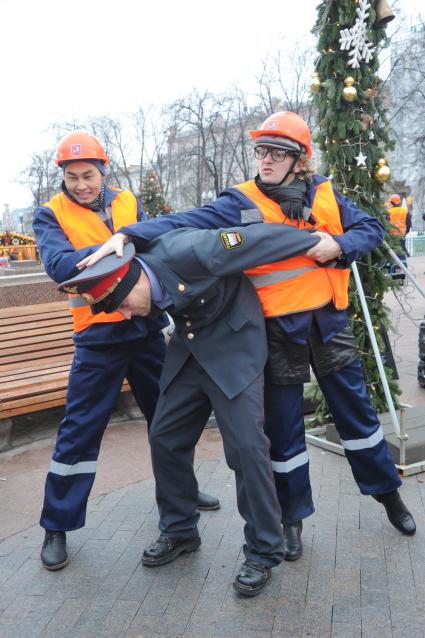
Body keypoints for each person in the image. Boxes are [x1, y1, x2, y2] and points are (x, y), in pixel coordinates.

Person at [83, 111, 416, 564]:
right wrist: (128, 234)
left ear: (299, 159)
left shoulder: (325, 193)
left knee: (358, 418)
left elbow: (371, 228)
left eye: (277, 152)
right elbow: (187, 221)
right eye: (261, 150)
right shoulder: (238, 200)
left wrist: (340, 246)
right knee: (283, 433)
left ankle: (388, 496)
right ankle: (292, 519)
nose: (266, 159)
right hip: (278, 332)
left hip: (328, 324)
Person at [64, 221, 321, 596]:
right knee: (165, 436)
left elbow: (260, 238)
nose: (127, 316)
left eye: (122, 306)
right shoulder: (142, 267)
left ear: (132, 283)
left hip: (235, 346)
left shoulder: (196, 249)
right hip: (191, 347)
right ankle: (180, 530)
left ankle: (264, 550)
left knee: (247, 449)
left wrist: (320, 242)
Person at [32, 130, 218, 572]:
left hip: (146, 329)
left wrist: (117, 247)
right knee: (80, 431)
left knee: (169, 421)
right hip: (98, 338)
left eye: (89, 175)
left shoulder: (127, 201)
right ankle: (57, 525)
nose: (81, 185)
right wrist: (125, 245)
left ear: (103, 171)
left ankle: (182, 496)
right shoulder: (49, 214)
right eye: (73, 177)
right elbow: (60, 266)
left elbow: (157, 242)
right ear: (62, 176)